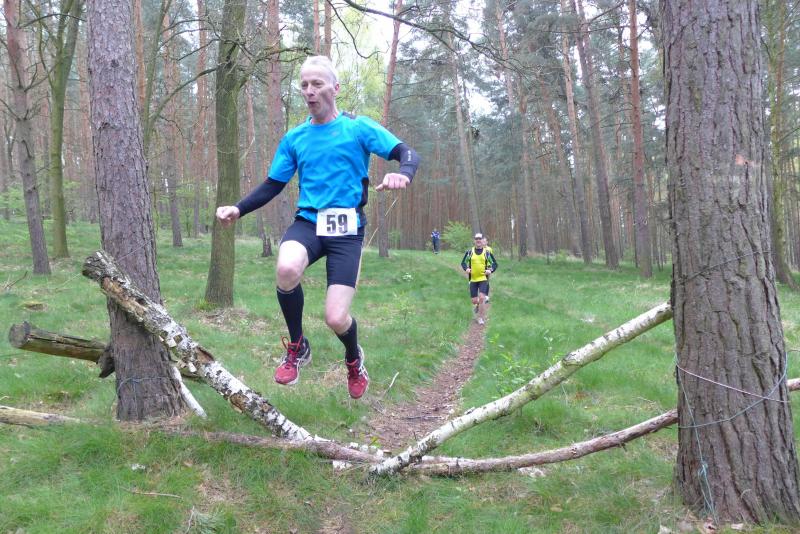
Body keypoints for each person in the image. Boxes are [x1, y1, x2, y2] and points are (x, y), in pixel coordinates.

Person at [215, 56, 419, 399]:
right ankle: (298, 346)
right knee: (286, 268)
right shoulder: (295, 138)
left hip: (347, 231)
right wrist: (238, 208)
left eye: (317, 84)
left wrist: (404, 174)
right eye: (304, 85)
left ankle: (353, 358)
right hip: (309, 222)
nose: (309, 91)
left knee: (336, 318)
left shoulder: (358, 128)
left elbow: (407, 152)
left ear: (335, 88)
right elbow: (273, 185)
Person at [461, 233, 498, 325]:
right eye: (476, 239)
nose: (478, 240)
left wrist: (490, 270)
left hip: (483, 279)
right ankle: (477, 304)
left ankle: (480, 318)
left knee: (481, 298)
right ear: (474, 241)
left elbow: (494, 264)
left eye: (480, 239)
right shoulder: (470, 252)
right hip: (473, 279)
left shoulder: (487, 253)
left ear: (482, 241)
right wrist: (466, 269)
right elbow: (463, 263)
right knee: (474, 301)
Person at [481, 236, 493, 302]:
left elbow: (491, 259)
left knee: (486, 281)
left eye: (484, 241)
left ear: (487, 242)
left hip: (488, 266)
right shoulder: (479, 248)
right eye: (482, 241)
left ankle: (486, 296)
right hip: (481, 266)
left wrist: (491, 267)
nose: (483, 242)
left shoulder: (489, 249)